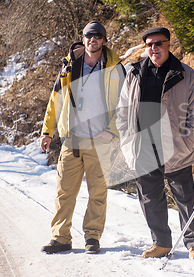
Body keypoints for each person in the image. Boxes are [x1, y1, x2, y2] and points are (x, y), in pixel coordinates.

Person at [116, 27, 194, 259]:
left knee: (185, 197)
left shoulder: (185, 74)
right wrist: (127, 142)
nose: (154, 48)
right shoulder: (134, 73)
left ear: (168, 45)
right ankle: (161, 243)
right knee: (149, 198)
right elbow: (123, 111)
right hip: (142, 146)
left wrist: (187, 139)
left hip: (175, 147)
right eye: (149, 45)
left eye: (158, 43)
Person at [40, 21, 125, 254]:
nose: (92, 39)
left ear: (104, 41)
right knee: (63, 192)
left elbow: (124, 105)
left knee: (98, 193)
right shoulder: (70, 65)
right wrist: (47, 131)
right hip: (72, 141)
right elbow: (55, 98)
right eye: (88, 35)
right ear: (83, 38)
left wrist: (111, 131)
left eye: (97, 36)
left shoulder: (115, 68)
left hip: (101, 142)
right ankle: (61, 238)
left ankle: (92, 237)